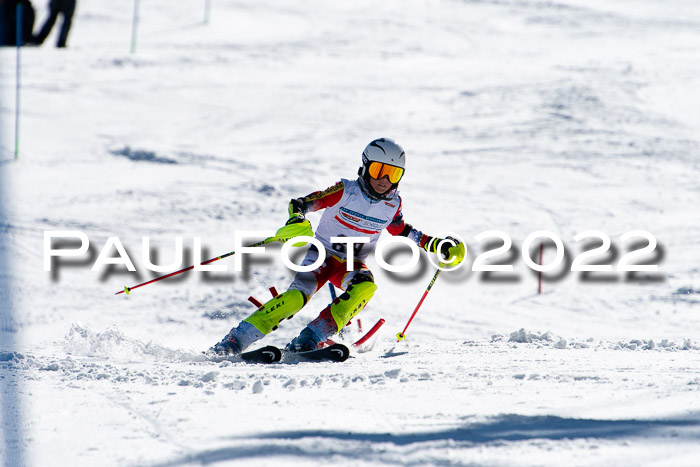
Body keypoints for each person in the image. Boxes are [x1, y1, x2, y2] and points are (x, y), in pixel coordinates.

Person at [211, 138, 466, 355]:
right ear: (365, 167)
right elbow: (301, 203)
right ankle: (235, 340)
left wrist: (433, 244)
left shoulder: (393, 204)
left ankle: (310, 338)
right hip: (321, 256)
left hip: (351, 264)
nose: (384, 180)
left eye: (393, 173)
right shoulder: (346, 191)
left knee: (365, 286)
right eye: (379, 170)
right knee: (294, 299)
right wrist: (297, 219)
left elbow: (400, 229)